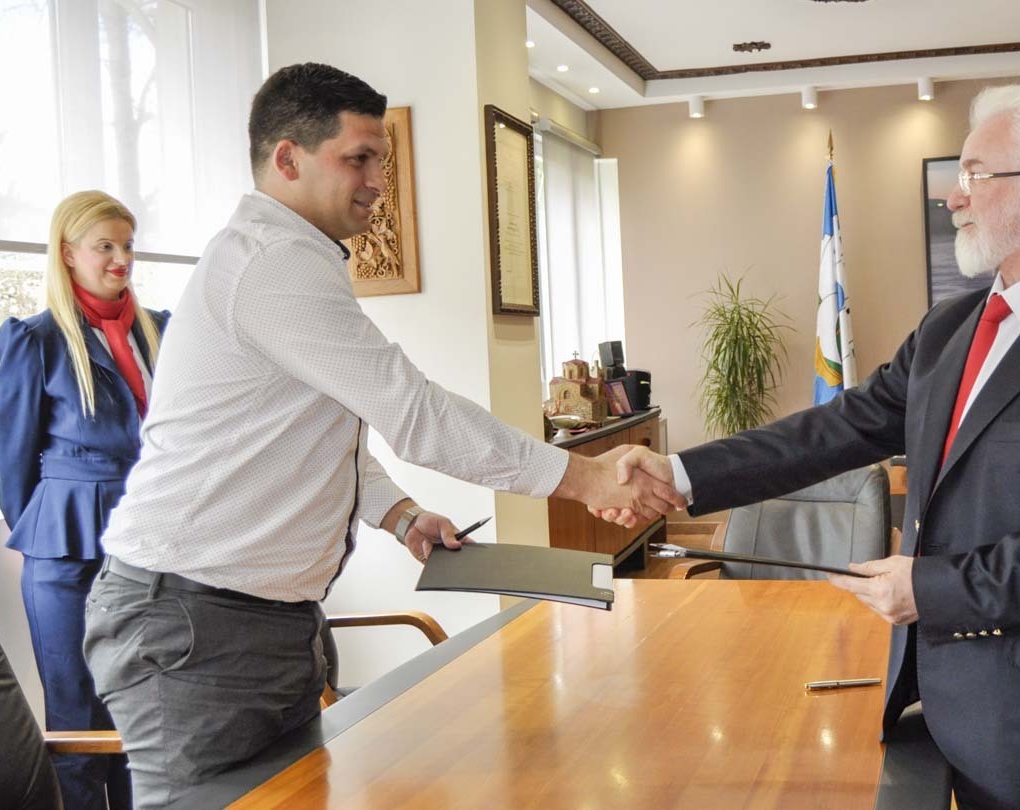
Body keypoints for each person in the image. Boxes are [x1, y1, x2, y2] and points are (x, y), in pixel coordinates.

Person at [81, 62, 680, 809]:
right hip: (195, 621)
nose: (377, 183)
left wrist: (398, 514)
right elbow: (417, 414)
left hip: (256, 620)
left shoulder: (293, 259)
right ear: (288, 159)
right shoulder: (272, 264)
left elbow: (315, 436)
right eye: (358, 159)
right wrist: (587, 479)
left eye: (381, 161)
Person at [602, 84, 1020, 809]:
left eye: (975, 174)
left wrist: (928, 589)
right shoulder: (949, 329)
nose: (955, 196)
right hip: (935, 696)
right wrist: (680, 473)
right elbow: (836, 429)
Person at [0, 190, 170, 810]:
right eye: (105, 247)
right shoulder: (35, 340)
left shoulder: (161, 331)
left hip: (147, 542)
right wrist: (43, 534)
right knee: (76, 715)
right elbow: (13, 460)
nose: (122, 259)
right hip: (63, 550)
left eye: (128, 245)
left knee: (141, 708)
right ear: (68, 253)